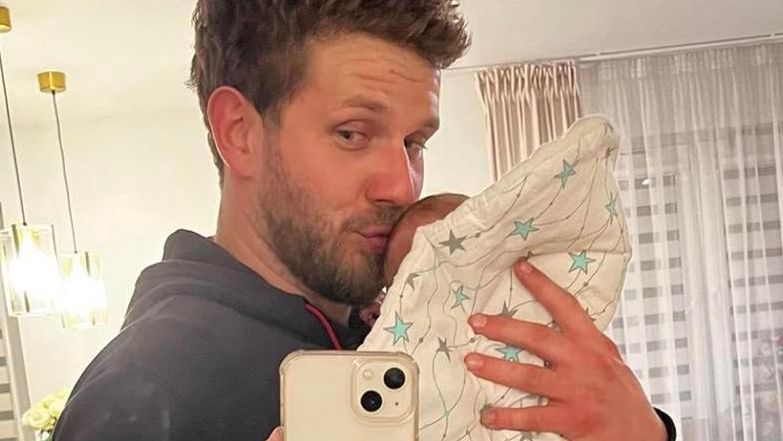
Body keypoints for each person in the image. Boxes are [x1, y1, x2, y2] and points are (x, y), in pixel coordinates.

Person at [53, 2, 675, 441]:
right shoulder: (141, 396)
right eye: (353, 134)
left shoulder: (416, 324)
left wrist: (642, 433)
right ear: (240, 133)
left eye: (415, 142)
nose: (402, 185)